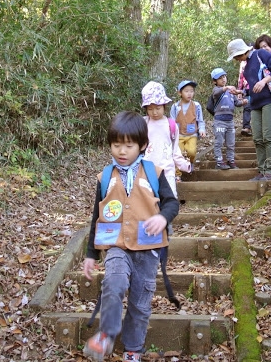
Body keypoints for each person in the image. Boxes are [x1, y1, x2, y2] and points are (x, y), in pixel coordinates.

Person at [82, 111, 180, 362]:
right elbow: (97, 216)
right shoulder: (105, 177)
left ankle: (133, 350)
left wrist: (162, 218)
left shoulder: (154, 172)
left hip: (147, 249)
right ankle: (106, 334)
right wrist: (91, 255)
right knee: (113, 283)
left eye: (128, 145)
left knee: (140, 302)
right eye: (116, 145)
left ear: (142, 146)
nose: (122, 151)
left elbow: (171, 203)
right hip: (116, 245)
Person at [227, 38, 271, 181]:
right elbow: (252, 88)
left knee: (268, 136)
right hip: (255, 104)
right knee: (257, 138)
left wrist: (264, 80)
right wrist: (240, 92)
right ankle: (262, 170)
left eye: (237, 56)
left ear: (243, 51)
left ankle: (270, 171)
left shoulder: (260, 54)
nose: (237, 59)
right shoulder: (245, 67)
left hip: (269, 101)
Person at [141, 81, 192, 196]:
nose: (154, 112)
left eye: (158, 108)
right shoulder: (143, 123)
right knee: (149, 201)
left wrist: (183, 164)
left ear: (164, 106)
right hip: (147, 171)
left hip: (167, 171)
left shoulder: (171, 125)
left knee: (170, 200)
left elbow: (174, 149)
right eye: (150, 109)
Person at [210, 67, 248, 170]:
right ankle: (219, 161)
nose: (223, 79)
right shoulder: (217, 90)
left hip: (230, 121)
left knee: (231, 143)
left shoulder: (231, 91)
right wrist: (226, 88)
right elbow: (216, 94)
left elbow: (236, 103)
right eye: (220, 78)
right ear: (215, 81)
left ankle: (230, 161)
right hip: (219, 121)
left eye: (224, 77)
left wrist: (243, 102)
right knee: (219, 142)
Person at [169, 80, 206, 181]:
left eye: (192, 91)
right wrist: (171, 134)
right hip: (179, 134)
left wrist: (202, 129)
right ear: (180, 93)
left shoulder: (196, 106)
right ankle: (177, 174)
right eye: (186, 91)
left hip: (192, 134)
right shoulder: (175, 107)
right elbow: (172, 121)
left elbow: (200, 120)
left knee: (192, 151)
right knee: (178, 154)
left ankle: (190, 163)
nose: (189, 93)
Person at [237, 61, 252, 136]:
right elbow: (241, 76)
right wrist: (239, 90)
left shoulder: (258, 56)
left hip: (259, 87)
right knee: (247, 107)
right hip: (246, 88)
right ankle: (246, 127)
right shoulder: (243, 62)